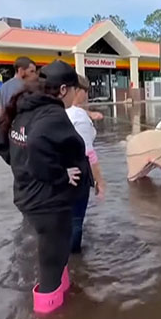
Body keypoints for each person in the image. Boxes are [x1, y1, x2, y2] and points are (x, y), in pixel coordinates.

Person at [0, 60, 92, 314]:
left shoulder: (24, 107)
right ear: (63, 90)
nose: (74, 98)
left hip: (27, 197)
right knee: (50, 270)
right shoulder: (51, 115)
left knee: (55, 258)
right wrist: (59, 175)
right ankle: (49, 315)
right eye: (73, 91)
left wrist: (20, 164)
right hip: (48, 205)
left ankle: (65, 296)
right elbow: (37, 145)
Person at [66, 75, 106, 253]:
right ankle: (73, 259)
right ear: (77, 91)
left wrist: (90, 114)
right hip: (77, 174)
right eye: (86, 91)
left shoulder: (57, 110)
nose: (87, 95)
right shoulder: (80, 119)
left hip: (57, 172)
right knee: (75, 221)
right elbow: (89, 154)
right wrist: (100, 181)